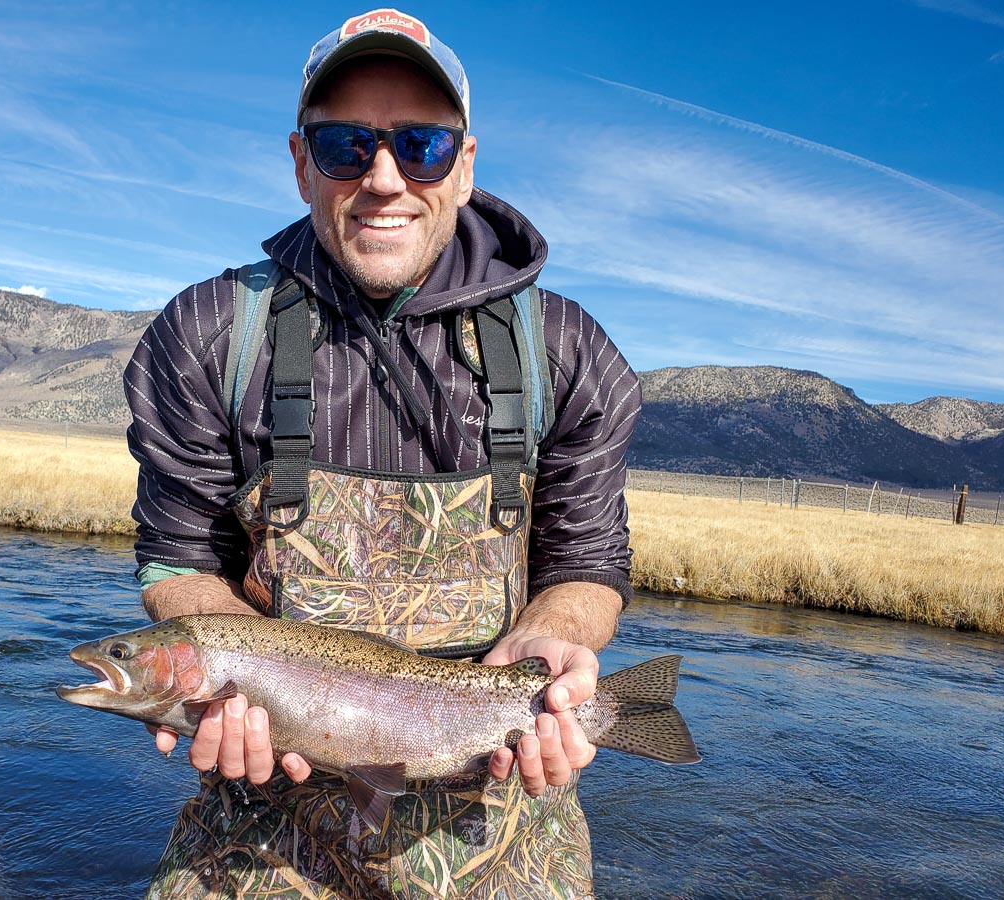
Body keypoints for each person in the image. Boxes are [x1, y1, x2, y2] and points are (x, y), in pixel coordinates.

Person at [124, 8, 641, 898]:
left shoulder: (568, 351)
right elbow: (177, 557)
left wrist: (554, 643)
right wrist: (234, 677)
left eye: (423, 147)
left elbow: (588, 561)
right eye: (346, 145)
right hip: (261, 814)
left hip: (503, 806)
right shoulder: (209, 336)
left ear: (467, 164)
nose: (386, 179)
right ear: (300, 163)